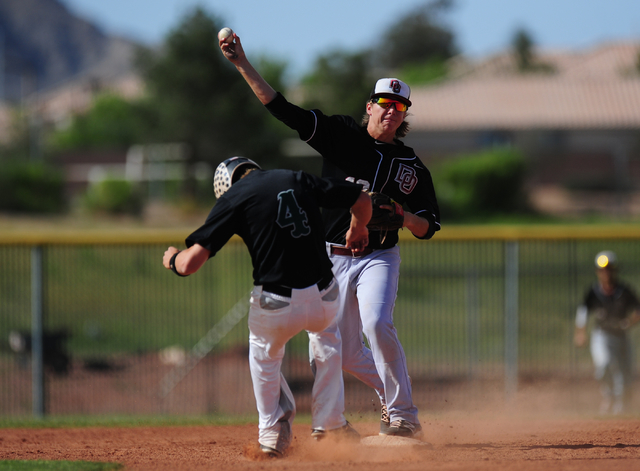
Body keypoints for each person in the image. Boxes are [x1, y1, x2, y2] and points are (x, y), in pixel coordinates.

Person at [220, 32, 440, 438]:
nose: (392, 111)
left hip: (379, 256)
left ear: (405, 115)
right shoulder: (341, 134)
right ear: (370, 107)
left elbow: (429, 226)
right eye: (385, 103)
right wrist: (241, 64)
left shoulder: (412, 167)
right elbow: (282, 109)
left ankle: (403, 415)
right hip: (331, 256)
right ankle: (363, 413)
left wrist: (404, 217)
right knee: (341, 352)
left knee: (376, 323)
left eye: (400, 106)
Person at [163, 157, 372, 457]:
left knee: (264, 355)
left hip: (276, 303)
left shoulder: (235, 197)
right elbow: (362, 199)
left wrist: (172, 259)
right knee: (327, 340)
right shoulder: (296, 177)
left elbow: (190, 264)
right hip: (324, 295)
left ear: (226, 186)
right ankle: (330, 424)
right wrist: (358, 228)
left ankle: (272, 433)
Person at [574, 250, 640, 414]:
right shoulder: (594, 292)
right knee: (604, 366)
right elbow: (583, 311)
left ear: (615, 270)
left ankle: (621, 406)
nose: (606, 273)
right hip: (602, 336)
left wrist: (629, 322)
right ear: (598, 272)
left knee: (623, 373)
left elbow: (638, 310)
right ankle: (610, 398)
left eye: (609, 269)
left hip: (622, 337)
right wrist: (580, 332)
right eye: (602, 269)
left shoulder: (624, 291)